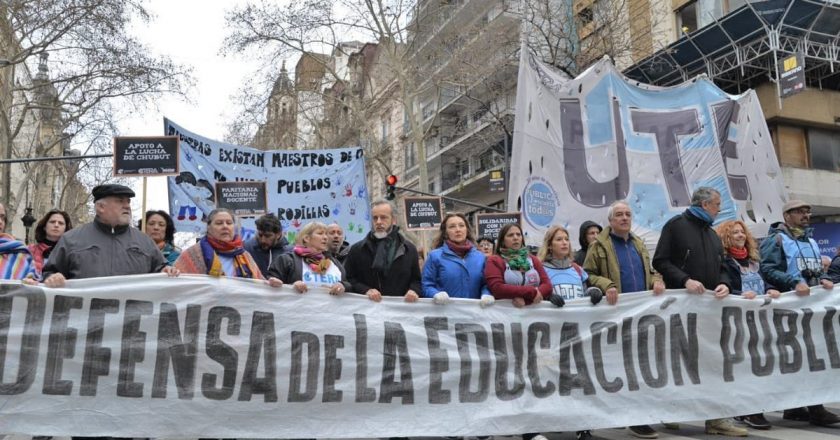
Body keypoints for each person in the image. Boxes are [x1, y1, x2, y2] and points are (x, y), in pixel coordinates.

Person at [653, 187, 745, 437]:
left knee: (715, 362)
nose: (719, 209)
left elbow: (724, 265)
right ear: (705, 205)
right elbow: (660, 261)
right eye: (716, 204)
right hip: (682, 310)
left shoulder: (713, 235)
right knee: (681, 362)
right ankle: (671, 410)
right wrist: (685, 280)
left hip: (710, 311)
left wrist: (725, 282)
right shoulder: (675, 226)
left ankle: (716, 419)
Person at [582, 202, 665, 439]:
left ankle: (637, 417)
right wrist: (606, 285)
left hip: (640, 315)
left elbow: (649, 272)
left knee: (640, 366)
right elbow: (589, 275)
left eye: (628, 214)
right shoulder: (598, 246)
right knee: (619, 369)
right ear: (610, 220)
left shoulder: (639, 243)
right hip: (614, 316)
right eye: (619, 214)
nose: (624, 218)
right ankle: (624, 414)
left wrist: (656, 282)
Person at [759, 199, 839, 427]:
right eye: (800, 211)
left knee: (811, 358)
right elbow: (768, 269)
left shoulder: (811, 241)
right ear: (787, 216)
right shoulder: (776, 240)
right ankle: (807, 407)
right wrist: (793, 281)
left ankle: (806, 407)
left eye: (808, 211)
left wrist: (823, 278)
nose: (806, 214)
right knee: (791, 358)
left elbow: (814, 271)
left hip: (811, 310)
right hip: (788, 309)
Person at [39, 185, 179, 287]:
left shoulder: (145, 242)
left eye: (128, 202)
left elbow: (161, 269)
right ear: (101, 207)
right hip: (85, 323)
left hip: (131, 324)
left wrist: (166, 271)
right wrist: (52, 278)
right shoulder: (71, 239)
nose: (127, 206)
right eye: (120, 201)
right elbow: (49, 273)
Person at [714, 219, 780, 430]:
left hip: (759, 322)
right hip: (736, 322)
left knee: (760, 364)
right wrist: (738, 295)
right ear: (726, 238)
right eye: (735, 233)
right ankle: (749, 410)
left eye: (742, 232)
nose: (741, 235)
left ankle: (754, 407)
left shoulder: (753, 262)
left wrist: (770, 288)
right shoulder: (724, 262)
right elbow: (720, 287)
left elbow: (762, 282)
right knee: (743, 366)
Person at [536, 224, 594, 440]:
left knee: (579, 380)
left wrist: (595, 293)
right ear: (550, 245)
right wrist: (546, 296)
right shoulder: (541, 269)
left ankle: (584, 427)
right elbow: (536, 292)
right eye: (559, 239)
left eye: (566, 239)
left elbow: (588, 289)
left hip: (576, 333)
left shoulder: (577, 270)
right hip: (550, 336)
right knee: (549, 380)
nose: (564, 243)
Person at [175, 208, 279, 286]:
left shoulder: (244, 255)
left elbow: (259, 284)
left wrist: (269, 284)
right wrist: (170, 273)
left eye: (229, 223)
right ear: (209, 227)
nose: (225, 226)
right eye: (219, 223)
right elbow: (176, 283)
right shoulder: (192, 254)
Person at [344, 200, 422, 302]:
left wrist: (413, 290)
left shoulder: (409, 249)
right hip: (369, 310)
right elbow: (348, 279)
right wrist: (365, 290)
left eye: (383, 217)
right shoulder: (357, 249)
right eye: (375, 218)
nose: (379, 222)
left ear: (394, 220)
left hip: (399, 310)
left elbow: (416, 280)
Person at [422, 212, 493, 306]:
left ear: (467, 230)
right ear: (445, 232)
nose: (458, 229)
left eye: (461, 225)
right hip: (445, 313)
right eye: (452, 226)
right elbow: (426, 284)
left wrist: (486, 294)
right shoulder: (435, 256)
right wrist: (435, 293)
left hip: (475, 315)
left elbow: (486, 283)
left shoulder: (480, 257)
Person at [267, 221, 348, 295]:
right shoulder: (287, 260)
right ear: (306, 238)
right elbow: (270, 284)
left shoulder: (334, 263)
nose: (325, 237)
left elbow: (349, 284)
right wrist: (291, 286)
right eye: (320, 233)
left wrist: (343, 285)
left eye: (326, 234)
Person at [484, 223, 551, 307]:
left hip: (533, 314)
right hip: (505, 314)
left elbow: (547, 286)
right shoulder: (494, 260)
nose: (515, 238)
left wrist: (527, 301)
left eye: (518, 234)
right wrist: (530, 292)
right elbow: (497, 288)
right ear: (502, 240)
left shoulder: (533, 260)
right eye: (510, 235)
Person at [26, 209, 73, 280]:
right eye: (52, 222)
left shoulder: (72, 254)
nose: (56, 225)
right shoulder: (29, 251)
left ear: (65, 229)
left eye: (61, 223)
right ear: (44, 227)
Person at [0, 202, 36, 280]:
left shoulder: (19, 252)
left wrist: (31, 281)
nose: (0, 222)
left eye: (2, 217)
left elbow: (33, 279)